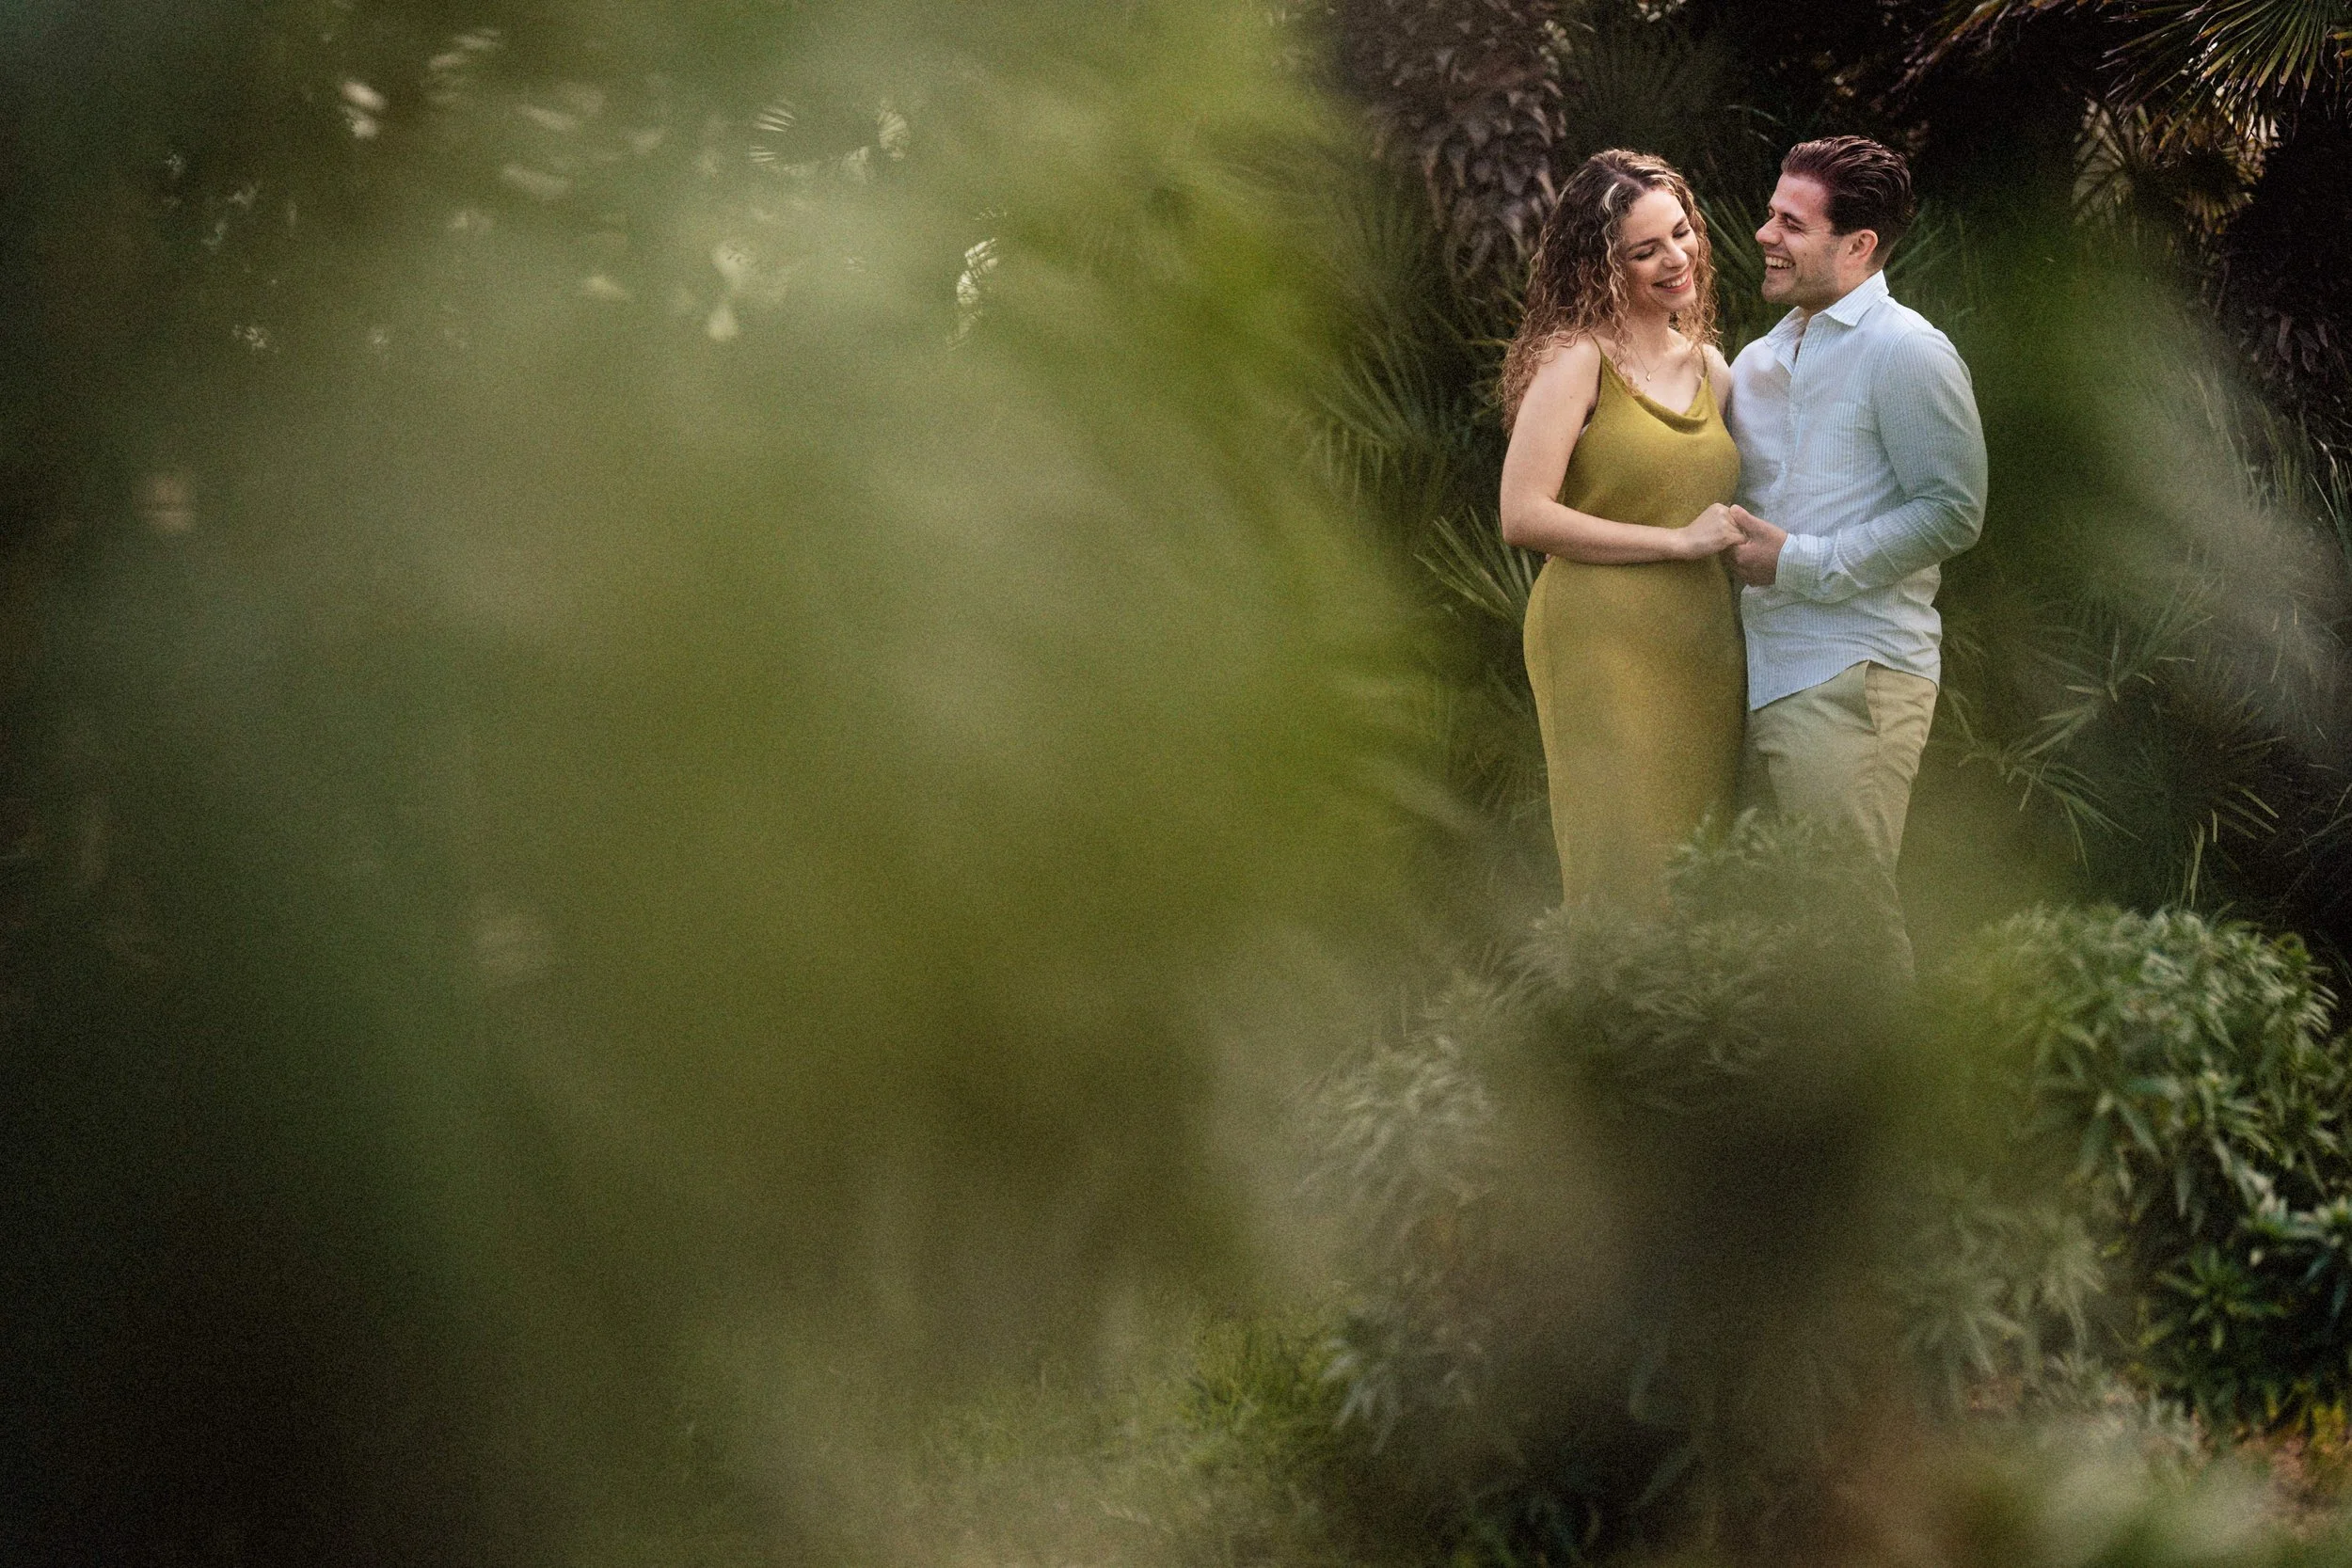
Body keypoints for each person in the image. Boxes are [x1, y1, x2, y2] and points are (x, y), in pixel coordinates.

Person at [1721, 136, 1988, 957]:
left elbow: (1953, 510)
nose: (1765, 234)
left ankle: (1896, 1085)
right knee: (1782, 938)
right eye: (1771, 214)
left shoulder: (1906, 351)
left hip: (1855, 679)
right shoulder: (1755, 362)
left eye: (1790, 222)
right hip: (1754, 677)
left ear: (1858, 244)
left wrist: (1797, 560)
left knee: (1851, 931)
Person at [1498, 150, 1746, 905]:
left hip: (1703, 645)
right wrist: (1676, 543)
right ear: (1602, 266)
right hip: (1599, 640)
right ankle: (1607, 1020)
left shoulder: (1714, 369)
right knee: (1624, 870)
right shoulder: (1577, 360)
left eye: (1681, 233)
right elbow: (1523, 513)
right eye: (1646, 250)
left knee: (1700, 870)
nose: (1676, 259)